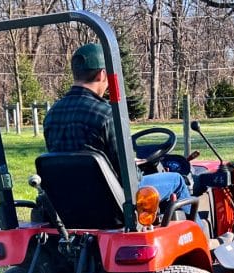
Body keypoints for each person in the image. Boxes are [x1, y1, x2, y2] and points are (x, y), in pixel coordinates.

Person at [43, 42, 196, 223]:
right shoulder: (106, 114)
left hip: (70, 204)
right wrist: (137, 167)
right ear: (102, 74)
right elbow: (126, 173)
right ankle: (201, 236)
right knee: (177, 180)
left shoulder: (52, 114)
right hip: (112, 202)